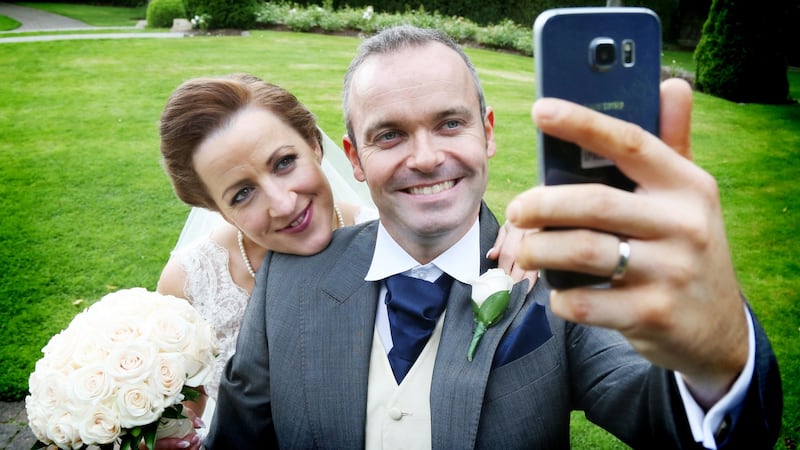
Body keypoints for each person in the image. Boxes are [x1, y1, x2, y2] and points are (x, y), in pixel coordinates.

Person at [205, 25, 782, 449]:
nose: (427, 158)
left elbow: (670, 422)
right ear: (354, 158)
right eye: (390, 135)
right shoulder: (289, 278)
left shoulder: (564, 279)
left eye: (450, 123)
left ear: (487, 133)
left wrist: (716, 358)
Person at [154, 73, 529, 449]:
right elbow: (188, 418)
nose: (283, 203)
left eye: (285, 162)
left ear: (315, 145)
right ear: (215, 208)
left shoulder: (395, 241)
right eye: (242, 194)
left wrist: (527, 230)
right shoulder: (190, 280)